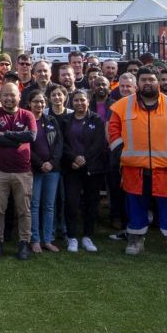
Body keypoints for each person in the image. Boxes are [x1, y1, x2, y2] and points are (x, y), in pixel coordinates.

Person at [109, 68, 167, 258]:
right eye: (143, 80)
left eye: (151, 79)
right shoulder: (121, 106)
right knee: (135, 205)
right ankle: (135, 240)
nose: (147, 83)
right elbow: (113, 131)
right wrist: (121, 152)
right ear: (137, 83)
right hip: (134, 167)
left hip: (166, 167)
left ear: (158, 82)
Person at [60, 89, 107, 253]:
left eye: (82, 100)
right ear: (71, 102)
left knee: (91, 203)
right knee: (71, 203)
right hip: (72, 168)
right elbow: (63, 143)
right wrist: (74, 158)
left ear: (88, 101)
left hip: (92, 168)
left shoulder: (97, 119)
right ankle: (72, 237)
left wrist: (84, 159)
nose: (79, 103)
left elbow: (98, 143)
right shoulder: (66, 120)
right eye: (76, 100)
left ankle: (87, 236)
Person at [28, 90, 64, 254]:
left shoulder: (51, 120)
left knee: (49, 206)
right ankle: (35, 239)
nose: (39, 104)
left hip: (53, 169)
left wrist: (51, 162)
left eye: (42, 102)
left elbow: (59, 143)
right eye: (36, 101)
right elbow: (26, 146)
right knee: (34, 205)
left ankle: (47, 240)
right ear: (29, 103)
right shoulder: (26, 120)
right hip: (35, 169)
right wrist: (41, 163)